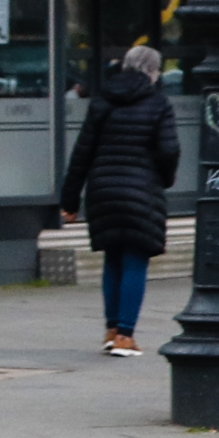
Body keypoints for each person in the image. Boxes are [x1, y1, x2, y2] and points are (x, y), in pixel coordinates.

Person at [60, 44, 179, 357]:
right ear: (153, 71)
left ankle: (111, 330)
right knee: (135, 259)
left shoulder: (102, 101)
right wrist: (164, 178)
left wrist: (69, 201)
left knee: (113, 257)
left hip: (103, 190)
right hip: (142, 189)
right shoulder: (158, 103)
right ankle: (126, 336)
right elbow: (169, 150)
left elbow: (81, 153)